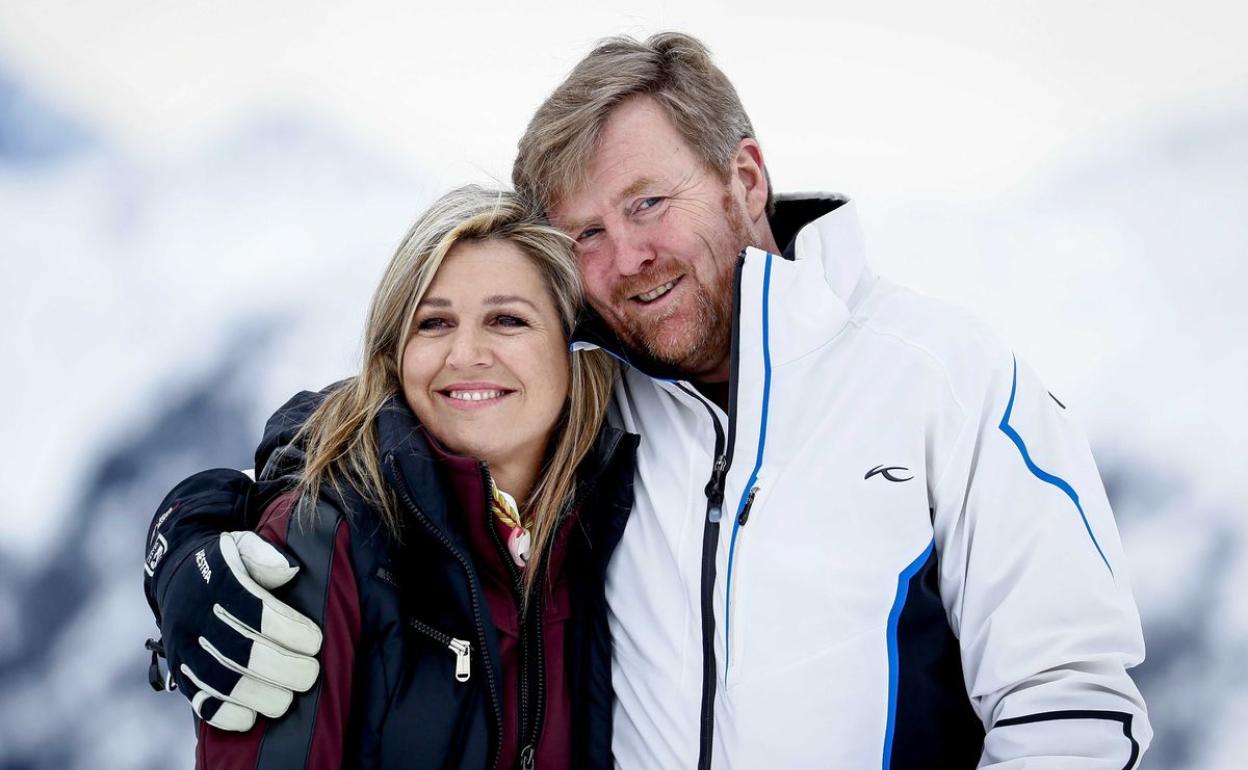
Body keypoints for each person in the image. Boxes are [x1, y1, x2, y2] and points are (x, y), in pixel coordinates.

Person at [144, 32, 1151, 769]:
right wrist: (191, 537)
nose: (624, 260)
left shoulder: (946, 379)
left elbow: (1072, 703)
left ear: (744, 178)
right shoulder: (592, 392)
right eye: (583, 233)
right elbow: (388, 413)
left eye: (647, 204)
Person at [143, 186, 637, 769]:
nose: (465, 353)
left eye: (507, 319)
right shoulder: (328, 537)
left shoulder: (601, 519)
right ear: (394, 352)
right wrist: (180, 543)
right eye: (433, 323)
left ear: (573, 346)